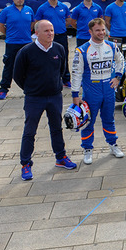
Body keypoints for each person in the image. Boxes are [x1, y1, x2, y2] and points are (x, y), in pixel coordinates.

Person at [13, 20, 77, 180]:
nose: (50, 33)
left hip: (55, 96)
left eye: (52, 30)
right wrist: (31, 89)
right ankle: (25, 163)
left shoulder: (59, 49)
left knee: (56, 128)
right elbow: (17, 76)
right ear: (37, 33)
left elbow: (62, 70)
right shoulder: (26, 52)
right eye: (46, 31)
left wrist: (55, 86)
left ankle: (61, 157)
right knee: (30, 131)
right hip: (34, 98)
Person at [71, 18, 125, 164]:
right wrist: (75, 95)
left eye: (103, 30)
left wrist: (118, 77)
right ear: (90, 31)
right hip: (91, 89)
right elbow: (76, 73)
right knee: (88, 121)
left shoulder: (112, 46)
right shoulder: (82, 50)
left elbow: (121, 61)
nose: (101, 33)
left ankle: (113, 145)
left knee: (109, 119)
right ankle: (87, 149)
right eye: (98, 30)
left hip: (108, 88)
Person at [0, 0, 35, 100]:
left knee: (29, 67)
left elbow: (32, 24)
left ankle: (30, 88)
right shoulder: (6, 11)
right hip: (12, 43)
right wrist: (9, 34)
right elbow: (0, 26)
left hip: (27, 43)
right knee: (9, 67)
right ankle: (3, 89)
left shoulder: (29, 10)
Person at [34, 0, 72, 87]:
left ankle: (66, 79)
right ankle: (49, 79)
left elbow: (68, 20)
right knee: (48, 58)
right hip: (48, 38)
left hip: (62, 36)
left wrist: (61, 26)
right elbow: (37, 22)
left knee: (64, 57)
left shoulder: (63, 7)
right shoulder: (42, 8)